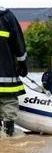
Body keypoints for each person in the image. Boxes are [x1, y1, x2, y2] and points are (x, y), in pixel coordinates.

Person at [0, 7, 28, 137]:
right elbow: (18, 43)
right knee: (9, 102)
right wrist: (22, 64)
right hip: (6, 72)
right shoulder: (7, 16)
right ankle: (8, 134)